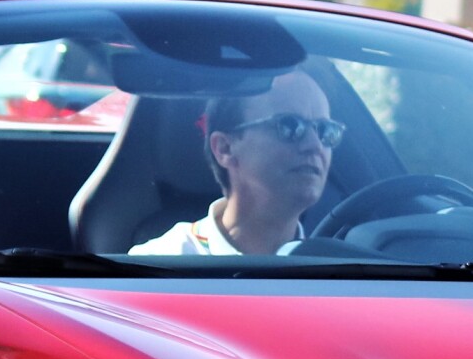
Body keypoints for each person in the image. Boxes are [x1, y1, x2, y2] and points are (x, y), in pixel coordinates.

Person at [133, 69, 343, 255]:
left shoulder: (341, 275)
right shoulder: (157, 266)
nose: (315, 145)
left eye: (325, 131)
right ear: (225, 148)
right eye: (289, 126)